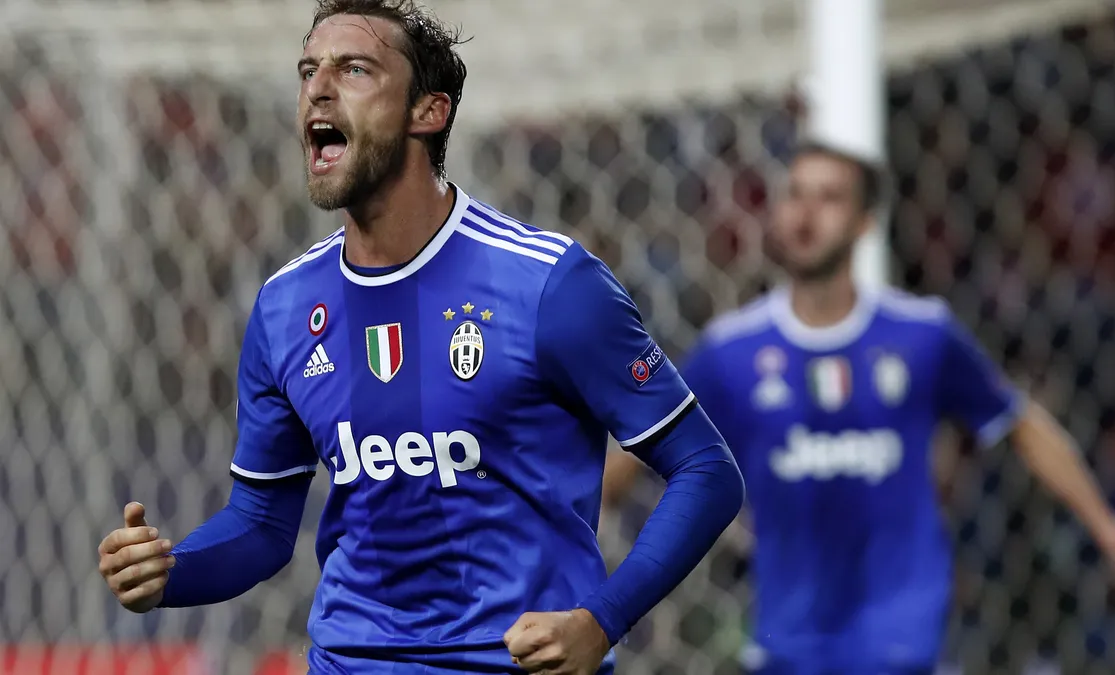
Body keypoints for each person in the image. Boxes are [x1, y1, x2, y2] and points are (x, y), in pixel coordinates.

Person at [95, 1, 744, 673]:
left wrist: (600, 621)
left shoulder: (548, 285)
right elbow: (261, 523)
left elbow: (706, 469)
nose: (318, 88)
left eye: (354, 69)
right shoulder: (285, 307)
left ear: (428, 111)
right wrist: (169, 573)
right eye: (309, 71)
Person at [604, 142, 1115, 674]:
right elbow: (636, 455)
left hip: (897, 641)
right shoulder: (731, 351)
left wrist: (1105, 525)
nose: (806, 214)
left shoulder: (922, 335)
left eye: (829, 198)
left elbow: (1019, 421)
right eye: (795, 195)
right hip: (788, 642)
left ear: (865, 222)